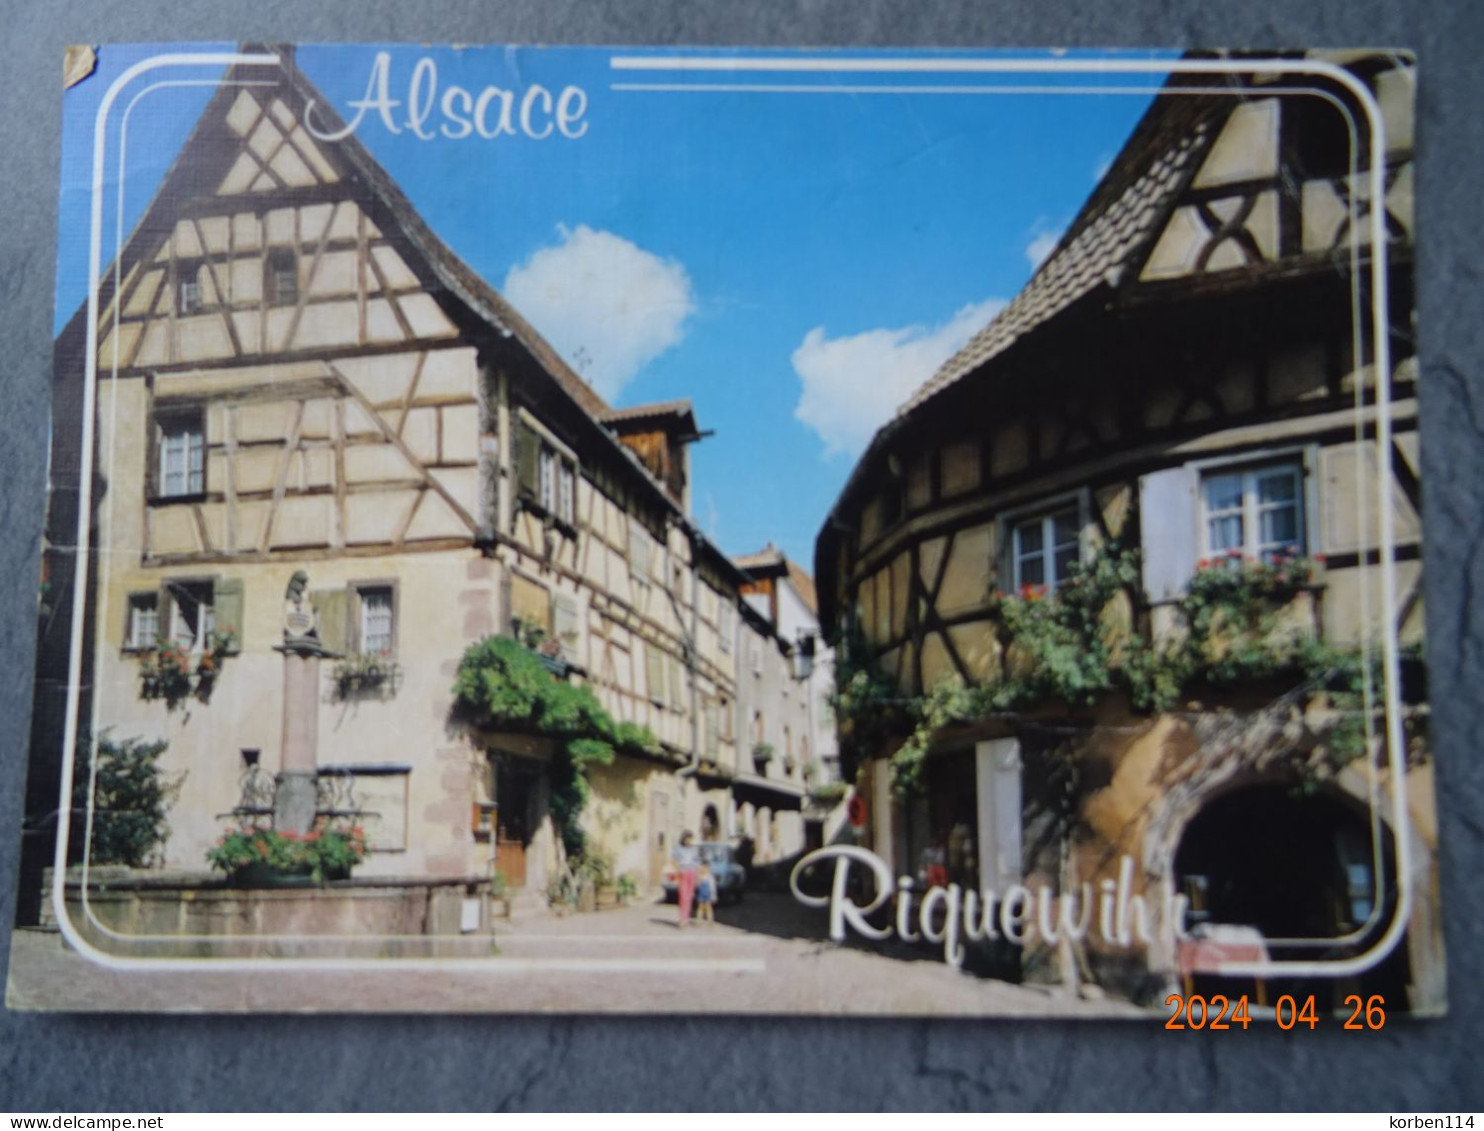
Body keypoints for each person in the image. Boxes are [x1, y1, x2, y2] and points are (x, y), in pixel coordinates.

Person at [672, 830, 699, 927]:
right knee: (683, 896)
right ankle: (682, 919)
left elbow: (696, 862)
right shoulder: (678, 848)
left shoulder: (694, 849)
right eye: (688, 839)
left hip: (691, 872)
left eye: (691, 839)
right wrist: (677, 871)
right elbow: (675, 860)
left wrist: (697, 875)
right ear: (684, 838)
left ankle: (686, 918)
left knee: (690, 895)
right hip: (683, 872)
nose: (689, 841)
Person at [695, 859, 717, 925]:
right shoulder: (700, 876)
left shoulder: (710, 877)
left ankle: (710, 920)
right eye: (703, 867)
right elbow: (697, 884)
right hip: (701, 893)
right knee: (700, 906)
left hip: (708, 893)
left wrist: (713, 895)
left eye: (706, 867)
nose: (704, 869)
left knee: (708, 907)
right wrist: (698, 878)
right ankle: (698, 920)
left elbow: (712, 887)